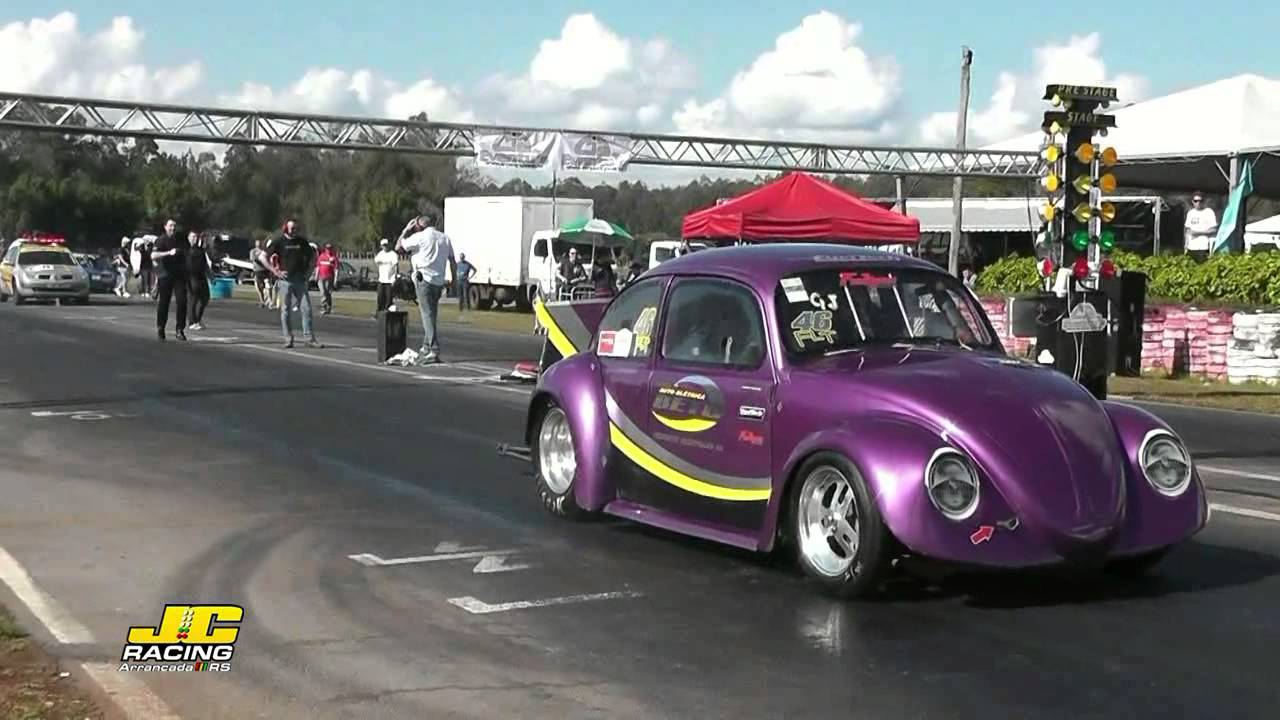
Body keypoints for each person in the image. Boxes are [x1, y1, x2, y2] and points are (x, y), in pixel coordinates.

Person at [396, 212, 456, 364]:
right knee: (431, 315)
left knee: (426, 315)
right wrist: (453, 280)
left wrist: (405, 229)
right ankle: (426, 346)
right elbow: (452, 260)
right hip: (438, 281)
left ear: (419, 226)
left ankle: (433, 349)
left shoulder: (420, 237)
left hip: (424, 279)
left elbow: (398, 246)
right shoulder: (444, 237)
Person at [267, 219, 323, 348]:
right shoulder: (279, 242)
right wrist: (275, 271)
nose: (294, 231)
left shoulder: (301, 242)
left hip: (300, 280)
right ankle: (288, 338)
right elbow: (264, 256)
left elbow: (313, 257)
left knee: (307, 309)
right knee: (285, 310)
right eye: (292, 228)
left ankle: (309, 338)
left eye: (296, 228)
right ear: (286, 228)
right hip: (285, 281)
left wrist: (309, 273)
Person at [151, 219, 189, 341]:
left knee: (182, 301)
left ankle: (180, 330)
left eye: (174, 226)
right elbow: (153, 255)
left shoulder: (181, 240)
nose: (173, 228)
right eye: (170, 226)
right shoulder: (161, 240)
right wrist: (168, 253)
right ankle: (161, 327)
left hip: (179, 275)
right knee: (164, 302)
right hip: (165, 274)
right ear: (165, 227)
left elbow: (186, 254)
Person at [187, 232, 213, 330]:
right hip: (191, 277)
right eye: (193, 237)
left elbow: (205, 264)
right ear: (189, 238)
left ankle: (197, 319)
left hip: (201, 277)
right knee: (193, 299)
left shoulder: (200, 250)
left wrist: (210, 276)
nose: (195, 239)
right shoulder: (186, 250)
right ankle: (192, 322)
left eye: (196, 237)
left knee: (205, 298)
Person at [1184, 192, 1218, 260]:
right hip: (1191, 246)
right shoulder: (1190, 213)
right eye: (1196, 201)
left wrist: (1198, 233)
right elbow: (1187, 231)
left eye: (1200, 201)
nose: (1198, 203)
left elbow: (1214, 230)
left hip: (1204, 246)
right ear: (1192, 202)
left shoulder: (1209, 212)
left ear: (1204, 201)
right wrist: (1185, 246)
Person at [373, 238, 399, 314]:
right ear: (381, 246)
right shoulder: (380, 254)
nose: (385, 247)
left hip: (390, 280)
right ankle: (379, 313)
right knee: (380, 297)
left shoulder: (393, 254)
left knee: (389, 298)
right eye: (384, 245)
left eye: (386, 245)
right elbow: (376, 262)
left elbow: (396, 266)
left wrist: (395, 277)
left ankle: (387, 313)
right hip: (382, 280)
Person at [316, 243, 339, 314]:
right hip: (321, 277)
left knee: (328, 293)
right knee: (323, 292)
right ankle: (324, 307)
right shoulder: (322, 256)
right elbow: (318, 266)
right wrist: (316, 275)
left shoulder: (334, 257)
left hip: (329, 277)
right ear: (325, 249)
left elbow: (336, 269)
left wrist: (335, 279)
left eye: (329, 248)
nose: (328, 250)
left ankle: (328, 307)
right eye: (327, 248)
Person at [249, 238, 272, 307]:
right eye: (257, 242)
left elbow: (269, 258)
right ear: (255, 243)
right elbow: (254, 259)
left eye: (260, 242)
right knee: (259, 287)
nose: (258, 244)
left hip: (266, 271)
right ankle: (262, 301)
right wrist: (263, 262)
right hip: (257, 271)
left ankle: (270, 301)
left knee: (268, 286)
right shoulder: (253, 251)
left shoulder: (265, 251)